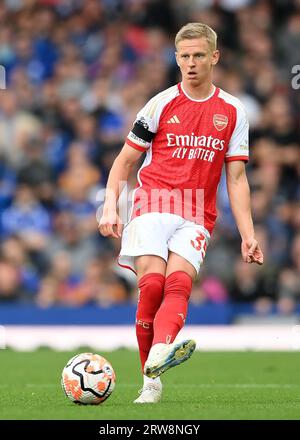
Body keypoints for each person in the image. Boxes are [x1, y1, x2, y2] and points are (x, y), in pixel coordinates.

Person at [98, 22, 264, 404]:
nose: (191, 63)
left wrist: (248, 233)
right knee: (152, 286)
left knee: (178, 285)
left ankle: (157, 358)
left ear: (214, 57)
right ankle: (151, 382)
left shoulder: (233, 111)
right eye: (185, 56)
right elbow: (124, 161)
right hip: (152, 201)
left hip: (196, 213)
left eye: (199, 56)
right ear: (176, 58)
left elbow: (236, 178)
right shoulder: (160, 104)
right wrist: (110, 206)